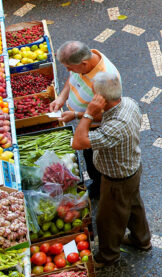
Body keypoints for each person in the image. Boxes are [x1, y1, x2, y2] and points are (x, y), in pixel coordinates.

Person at [71, 73, 150, 267]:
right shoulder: (128, 103)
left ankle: (108, 256)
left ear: (101, 99)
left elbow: (78, 142)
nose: (91, 94)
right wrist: (75, 115)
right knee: (133, 206)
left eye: (94, 93)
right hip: (132, 167)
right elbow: (103, 115)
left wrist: (89, 112)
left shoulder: (117, 126)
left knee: (108, 219)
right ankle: (142, 240)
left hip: (117, 178)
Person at [52, 41, 121, 199]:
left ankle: (100, 188)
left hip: (96, 126)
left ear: (83, 63)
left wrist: (77, 115)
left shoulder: (105, 78)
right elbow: (72, 78)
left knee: (94, 160)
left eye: (69, 67)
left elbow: (106, 114)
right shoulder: (83, 63)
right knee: (90, 159)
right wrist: (62, 98)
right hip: (85, 119)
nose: (68, 71)